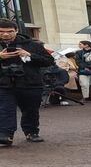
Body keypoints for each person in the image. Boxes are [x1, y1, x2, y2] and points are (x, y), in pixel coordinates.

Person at [0, 18, 54, 146]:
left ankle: (31, 132)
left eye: (10, 31)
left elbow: (49, 61)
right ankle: (5, 135)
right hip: (4, 84)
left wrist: (29, 55)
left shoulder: (32, 45)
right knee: (5, 109)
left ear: (16, 31)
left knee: (31, 110)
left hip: (30, 83)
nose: (6, 34)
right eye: (1, 31)